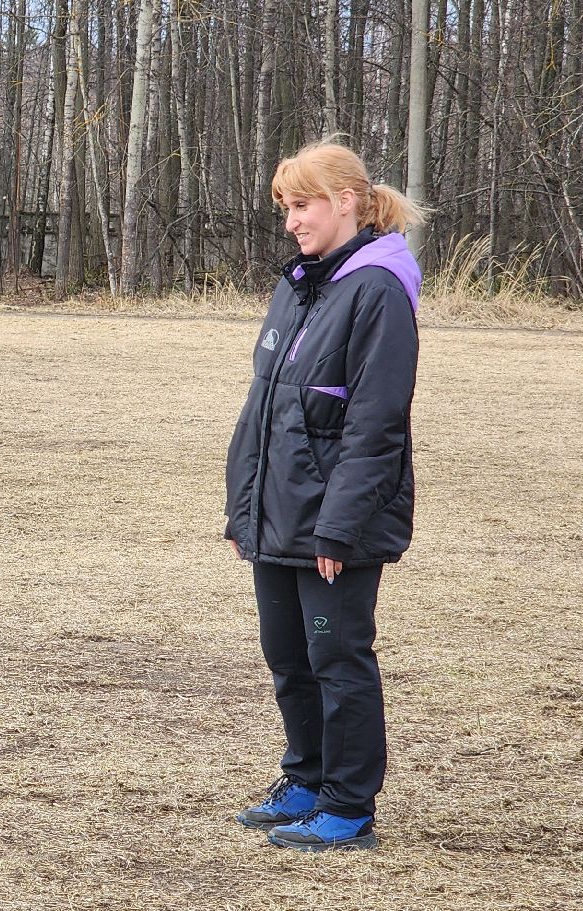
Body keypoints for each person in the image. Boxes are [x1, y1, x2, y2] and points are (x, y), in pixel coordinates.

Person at [223, 142, 425, 852]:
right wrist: (244, 505)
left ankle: (347, 805)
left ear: (346, 201)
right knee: (289, 657)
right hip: (279, 510)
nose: (291, 222)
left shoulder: (377, 291)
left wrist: (338, 528)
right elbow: (267, 405)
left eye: (302, 205)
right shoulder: (300, 284)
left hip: (334, 523)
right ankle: (306, 780)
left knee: (337, 659)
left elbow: (376, 424)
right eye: (285, 208)